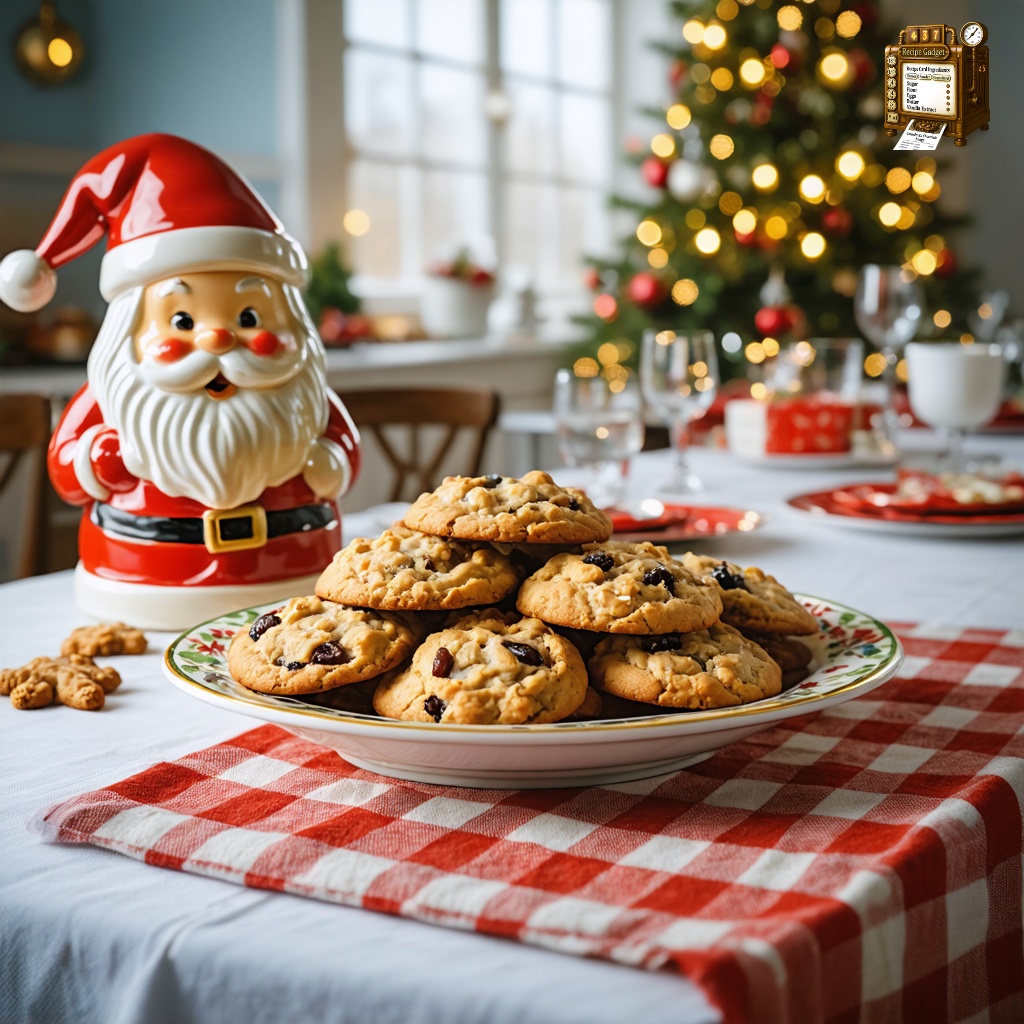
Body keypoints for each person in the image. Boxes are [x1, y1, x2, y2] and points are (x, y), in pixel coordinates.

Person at [0, 134, 360, 628]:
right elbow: (66, 466)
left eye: (249, 316)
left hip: (295, 584)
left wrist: (333, 460)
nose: (217, 337)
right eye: (183, 321)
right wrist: (94, 461)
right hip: (141, 581)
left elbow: (343, 443)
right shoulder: (116, 394)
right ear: (127, 332)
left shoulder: (303, 396)